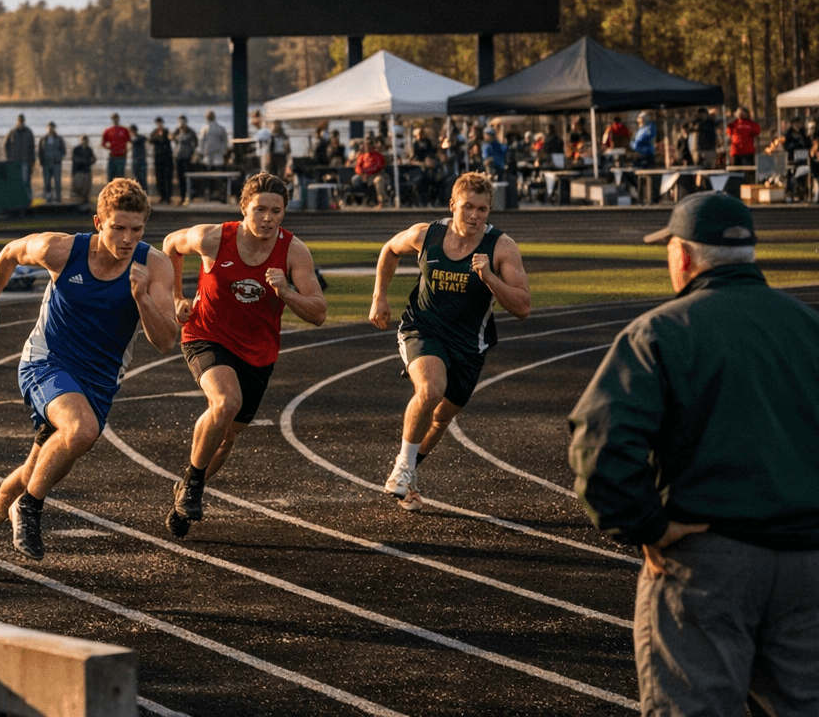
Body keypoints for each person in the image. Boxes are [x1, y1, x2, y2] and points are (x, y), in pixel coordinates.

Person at [568, 193, 819, 716]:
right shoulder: (808, 327)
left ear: (682, 255)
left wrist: (646, 526)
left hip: (707, 563)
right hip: (808, 563)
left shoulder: (658, 333)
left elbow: (600, 442)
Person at [0, 179, 178, 576]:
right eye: (118, 228)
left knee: (36, 467)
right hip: (47, 361)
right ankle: (28, 507)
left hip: (98, 379)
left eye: (137, 229)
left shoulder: (154, 265)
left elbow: (165, 341)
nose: (128, 239)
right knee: (80, 430)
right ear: (99, 223)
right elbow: (10, 252)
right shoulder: (61, 249)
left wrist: (143, 298)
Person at [162, 173, 326, 537]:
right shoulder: (213, 238)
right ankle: (192, 485)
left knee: (229, 436)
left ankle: (190, 483)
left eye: (276, 211)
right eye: (260, 209)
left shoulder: (293, 251)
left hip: (259, 351)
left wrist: (286, 292)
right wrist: (175, 296)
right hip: (207, 335)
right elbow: (171, 245)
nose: (267, 218)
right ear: (243, 208)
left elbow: (317, 312)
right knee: (225, 403)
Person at [369, 172, 532, 511]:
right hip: (423, 329)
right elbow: (389, 250)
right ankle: (402, 467)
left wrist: (489, 278)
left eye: (483, 210)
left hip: (469, 344)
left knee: (442, 417)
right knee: (430, 390)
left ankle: (409, 471)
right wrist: (379, 297)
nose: (474, 216)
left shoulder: (501, 247)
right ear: (453, 205)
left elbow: (522, 307)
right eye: (468, 207)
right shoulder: (426, 234)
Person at [351, 138, 390, 207]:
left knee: (378, 180)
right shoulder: (361, 156)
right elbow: (357, 167)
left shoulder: (378, 155)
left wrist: (367, 172)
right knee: (354, 179)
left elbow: (379, 166)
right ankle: (355, 201)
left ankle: (383, 201)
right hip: (365, 177)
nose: (367, 147)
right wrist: (362, 173)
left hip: (377, 175)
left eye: (369, 145)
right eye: (366, 145)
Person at [4, 114, 35, 191]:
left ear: (24, 121)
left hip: (25, 162)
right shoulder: (12, 132)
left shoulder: (28, 132)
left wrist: (32, 161)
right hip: (14, 161)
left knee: (26, 181)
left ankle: (28, 198)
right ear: (17, 121)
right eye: (19, 120)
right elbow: (6, 145)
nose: (20, 122)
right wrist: (8, 158)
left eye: (22, 120)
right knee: (15, 181)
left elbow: (32, 147)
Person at [38, 122, 66, 204]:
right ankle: (48, 197)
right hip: (46, 163)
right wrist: (41, 161)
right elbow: (40, 151)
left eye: (52, 128)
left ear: (54, 129)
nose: (50, 130)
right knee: (47, 181)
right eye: (49, 128)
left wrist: (58, 158)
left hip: (56, 164)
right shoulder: (43, 139)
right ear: (47, 129)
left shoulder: (59, 139)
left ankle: (58, 197)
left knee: (57, 181)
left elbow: (63, 151)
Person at [173, 115, 198, 203]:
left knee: (188, 177)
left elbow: (196, 143)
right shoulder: (176, 131)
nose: (181, 125)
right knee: (180, 178)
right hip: (178, 158)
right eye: (180, 122)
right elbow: (174, 139)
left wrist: (192, 153)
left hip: (187, 158)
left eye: (183, 122)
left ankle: (190, 196)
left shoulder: (190, 131)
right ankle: (182, 196)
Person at [150, 118, 174, 204]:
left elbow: (170, 138)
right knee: (159, 179)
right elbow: (151, 140)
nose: (159, 125)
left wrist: (165, 134)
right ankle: (162, 196)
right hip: (158, 158)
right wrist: (157, 135)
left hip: (167, 158)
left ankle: (168, 197)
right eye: (157, 123)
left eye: (160, 123)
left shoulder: (167, 131)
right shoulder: (154, 132)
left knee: (167, 178)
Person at [101, 112, 130, 180]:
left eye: (116, 118)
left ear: (118, 119)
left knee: (120, 177)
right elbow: (103, 143)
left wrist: (126, 150)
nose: (115, 120)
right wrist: (110, 148)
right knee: (110, 177)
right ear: (112, 119)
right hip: (112, 157)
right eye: (114, 118)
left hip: (122, 157)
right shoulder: (108, 131)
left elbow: (130, 141)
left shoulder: (124, 130)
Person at [70, 135, 94, 205]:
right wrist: (86, 162)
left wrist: (89, 163)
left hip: (86, 171)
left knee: (86, 188)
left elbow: (93, 158)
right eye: (83, 140)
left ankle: (86, 201)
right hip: (78, 171)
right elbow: (75, 160)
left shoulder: (89, 149)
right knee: (78, 188)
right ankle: (77, 202)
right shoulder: (76, 149)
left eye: (86, 140)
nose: (85, 142)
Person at [128, 123, 148, 189]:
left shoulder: (140, 138)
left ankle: (144, 194)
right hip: (135, 160)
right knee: (137, 179)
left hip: (140, 160)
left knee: (142, 180)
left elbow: (143, 139)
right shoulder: (136, 138)